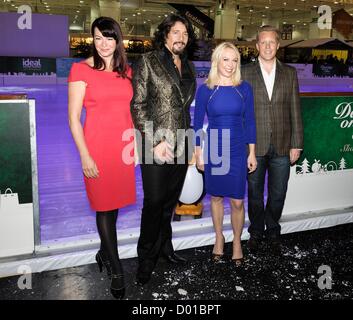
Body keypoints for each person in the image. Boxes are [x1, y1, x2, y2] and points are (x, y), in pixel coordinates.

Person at [68, 17, 135, 299]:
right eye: (98, 38)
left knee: (114, 205)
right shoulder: (80, 70)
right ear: (92, 40)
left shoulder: (126, 71)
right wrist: (85, 156)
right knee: (103, 207)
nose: (103, 44)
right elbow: (73, 118)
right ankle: (117, 269)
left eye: (108, 38)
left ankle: (104, 252)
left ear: (117, 40)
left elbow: (130, 112)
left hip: (123, 149)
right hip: (96, 148)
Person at [130, 13, 196, 285]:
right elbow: (138, 105)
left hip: (182, 143)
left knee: (169, 203)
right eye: (176, 32)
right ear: (166, 34)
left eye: (186, 34)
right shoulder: (148, 60)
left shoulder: (189, 66)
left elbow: (185, 109)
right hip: (155, 145)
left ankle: (165, 248)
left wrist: (191, 144)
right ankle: (146, 258)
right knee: (154, 202)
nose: (181, 37)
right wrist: (155, 142)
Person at [194, 42, 257, 266]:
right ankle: (219, 237)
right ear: (216, 61)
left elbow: (250, 121)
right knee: (217, 198)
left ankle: (237, 241)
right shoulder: (206, 90)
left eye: (234, 60)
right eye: (225, 59)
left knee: (238, 202)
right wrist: (198, 152)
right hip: (214, 150)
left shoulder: (244, 88)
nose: (230, 65)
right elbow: (197, 124)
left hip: (238, 149)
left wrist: (252, 153)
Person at [242, 25, 303, 254]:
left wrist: (297, 143)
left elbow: (295, 110)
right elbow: (241, 112)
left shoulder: (290, 73)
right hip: (254, 146)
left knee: (278, 193)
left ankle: (273, 229)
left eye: (272, 42)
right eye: (263, 42)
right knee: (255, 194)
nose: (267, 46)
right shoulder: (245, 72)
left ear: (278, 45)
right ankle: (256, 231)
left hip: (283, 144)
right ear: (257, 45)